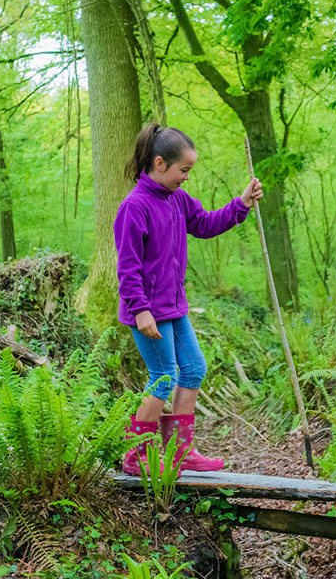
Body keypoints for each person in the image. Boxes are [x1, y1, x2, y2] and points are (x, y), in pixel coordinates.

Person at [115, 124, 263, 475]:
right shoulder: (134, 207)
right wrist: (140, 311)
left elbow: (206, 224)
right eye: (184, 170)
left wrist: (240, 204)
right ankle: (136, 454)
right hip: (147, 312)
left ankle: (181, 450)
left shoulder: (178, 199)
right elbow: (128, 267)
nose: (186, 177)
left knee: (194, 368)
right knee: (164, 376)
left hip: (174, 308)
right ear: (160, 163)